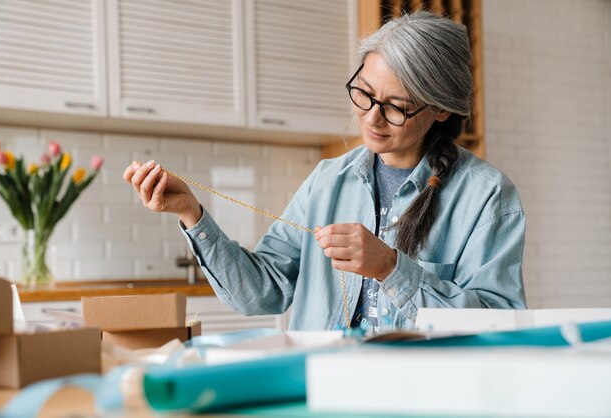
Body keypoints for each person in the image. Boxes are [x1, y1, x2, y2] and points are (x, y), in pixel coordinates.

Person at [123, 11, 526, 332]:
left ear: (440, 109)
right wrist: (191, 214)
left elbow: (498, 323)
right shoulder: (326, 180)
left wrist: (390, 267)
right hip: (324, 384)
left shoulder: (487, 195)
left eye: (396, 106)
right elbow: (262, 293)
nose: (371, 117)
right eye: (364, 93)